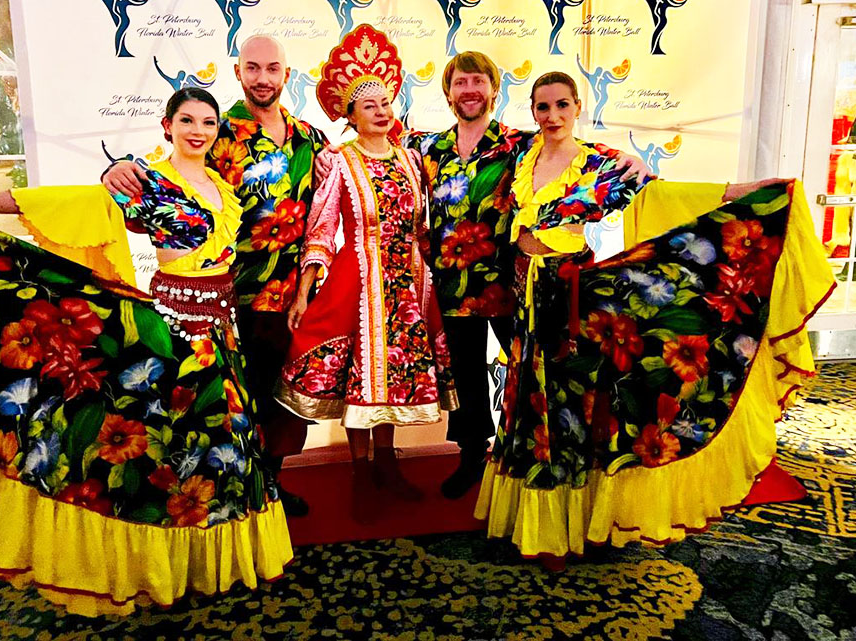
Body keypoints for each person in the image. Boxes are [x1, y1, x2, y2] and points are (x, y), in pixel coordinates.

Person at [0, 87, 292, 616]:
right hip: (179, 331)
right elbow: (64, 203)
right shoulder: (145, 179)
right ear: (167, 126)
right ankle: (153, 567)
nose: (198, 130)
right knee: (174, 451)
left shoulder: (221, 186)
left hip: (222, 332)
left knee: (225, 449)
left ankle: (204, 566)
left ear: (217, 130)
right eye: (186, 120)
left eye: (208, 122)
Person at [473, 71, 835, 564]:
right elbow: (473, 147)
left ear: (578, 106)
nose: (552, 116)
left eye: (561, 105)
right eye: (542, 107)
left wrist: (748, 191)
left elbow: (667, 195)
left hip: (573, 294)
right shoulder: (520, 157)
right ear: (532, 111)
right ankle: (532, 520)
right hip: (526, 295)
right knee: (527, 401)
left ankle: (568, 528)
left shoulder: (601, 164)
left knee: (570, 407)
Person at [403, 51, 650, 500]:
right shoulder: (426, 149)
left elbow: (575, 152)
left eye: (479, 81)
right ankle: (470, 456)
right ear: (448, 92)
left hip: (512, 282)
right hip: (453, 283)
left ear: (494, 91)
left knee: (530, 372)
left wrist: (628, 157)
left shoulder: (518, 143)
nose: (470, 90)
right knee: (466, 373)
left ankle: (529, 456)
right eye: (461, 82)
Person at [103, 36, 328, 517]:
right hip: (230, 294)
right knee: (225, 405)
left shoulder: (312, 138)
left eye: (273, 68)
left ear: (287, 74)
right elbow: (165, 176)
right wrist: (119, 168)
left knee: (284, 396)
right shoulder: (217, 128)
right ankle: (228, 489)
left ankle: (273, 482)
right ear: (238, 71)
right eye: (253, 68)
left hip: (297, 294)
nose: (263, 78)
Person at [273, 24, 458, 524]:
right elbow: (321, 227)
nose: (380, 110)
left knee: (395, 378)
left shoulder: (411, 159)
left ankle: (388, 466)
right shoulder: (340, 160)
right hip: (359, 280)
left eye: (384, 101)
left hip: (407, 283)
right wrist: (304, 293)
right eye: (368, 104)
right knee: (361, 377)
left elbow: (421, 226)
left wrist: (429, 278)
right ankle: (361, 471)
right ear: (350, 116)